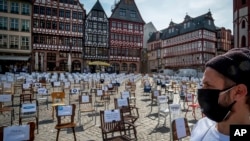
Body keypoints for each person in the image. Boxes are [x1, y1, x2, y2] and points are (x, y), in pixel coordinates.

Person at [191, 48, 250, 141]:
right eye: (202, 85)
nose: (202, 91)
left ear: (239, 92)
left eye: (208, 85)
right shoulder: (202, 125)